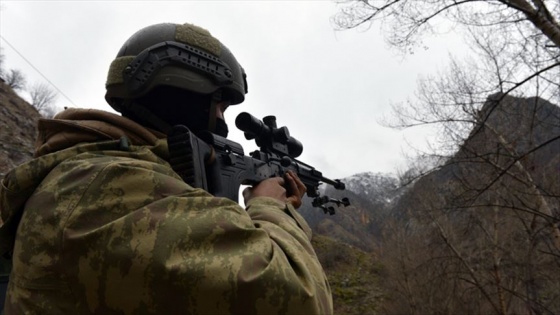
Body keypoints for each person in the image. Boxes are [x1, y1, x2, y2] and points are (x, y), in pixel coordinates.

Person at [0, 22, 333, 314]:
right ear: (186, 90)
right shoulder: (103, 184)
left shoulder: (99, 173)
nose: (222, 122)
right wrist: (271, 208)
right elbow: (300, 300)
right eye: (220, 106)